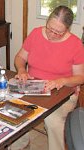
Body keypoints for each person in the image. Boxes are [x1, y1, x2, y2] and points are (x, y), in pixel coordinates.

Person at [14, 5, 84, 150]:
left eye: (58, 32)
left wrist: (62, 80)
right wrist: (21, 69)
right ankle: (20, 144)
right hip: (33, 87)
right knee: (14, 108)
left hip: (63, 92)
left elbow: (81, 77)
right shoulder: (35, 34)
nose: (51, 34)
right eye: (49, 28)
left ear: (67, 29)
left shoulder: (75, 44)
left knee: (52, 120)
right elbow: (20, 57)